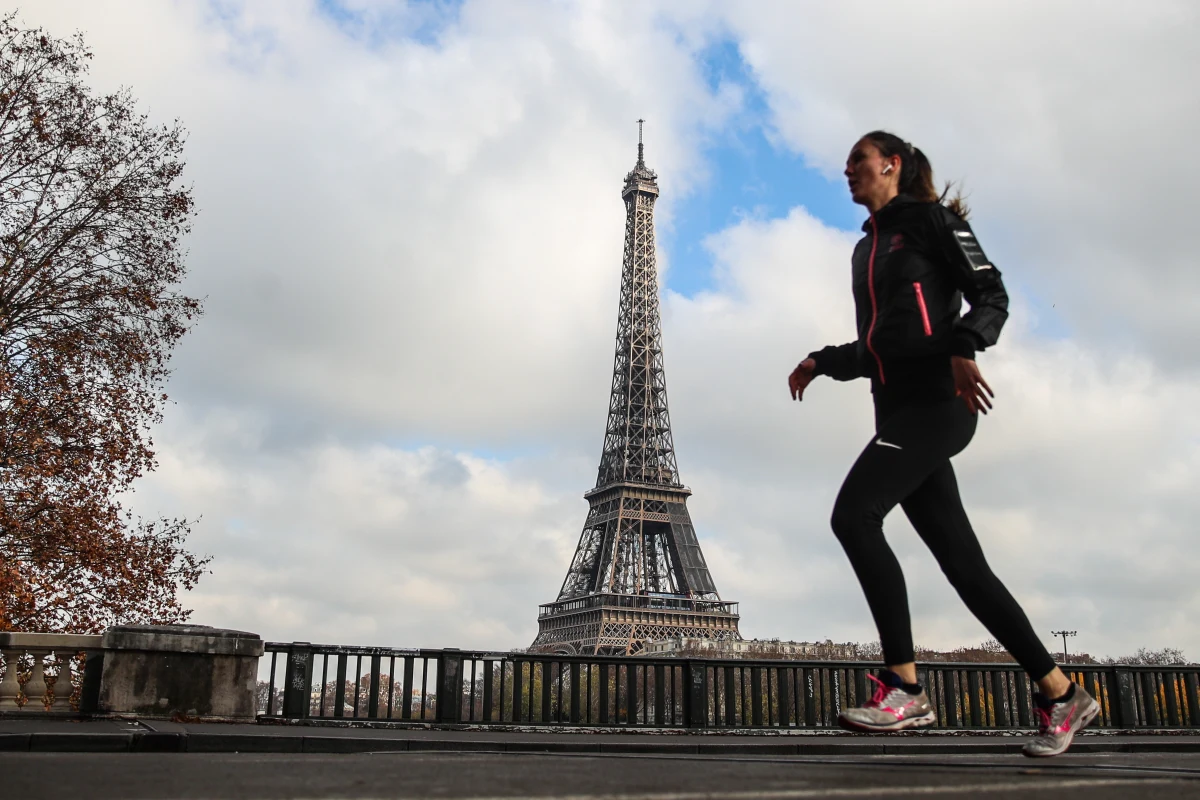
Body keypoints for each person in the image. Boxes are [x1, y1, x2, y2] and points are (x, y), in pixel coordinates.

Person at [787, 131, 1097, 758]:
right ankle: (1061, 694)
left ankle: (904, 686)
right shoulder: (864, 249)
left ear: (891, 165)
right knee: (966, 569)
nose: (846, 170)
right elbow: (882, 343)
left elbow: (992, 293)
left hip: (938, 405)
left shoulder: (933, 223)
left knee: (854, 515)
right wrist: (824, 361)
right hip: (897, 411)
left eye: (858, 161)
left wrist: (963, 345)